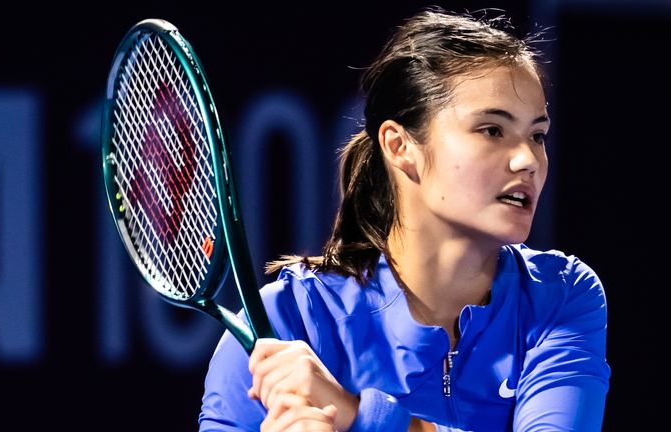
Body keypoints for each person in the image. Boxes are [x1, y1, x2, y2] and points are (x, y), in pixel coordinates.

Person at [199, 7, 610, 432]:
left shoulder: (559, 295)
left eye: (537, 135)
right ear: (399, 147)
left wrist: (363, 417)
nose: (528, 160)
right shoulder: (286, 321)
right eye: (492, 130)